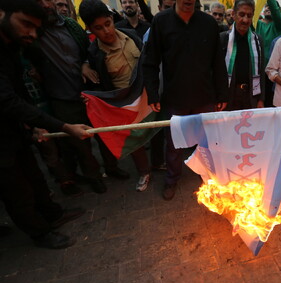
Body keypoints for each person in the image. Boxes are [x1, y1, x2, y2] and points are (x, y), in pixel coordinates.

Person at [0, 0, 93, 249]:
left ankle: (52, 213)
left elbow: (18, 92)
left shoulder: (11, 47)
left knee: (34, 176)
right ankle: (40, 232)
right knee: (16, 189)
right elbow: (6, 100)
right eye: (26, 24)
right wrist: (64, 126)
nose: (31, 34)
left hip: (14, 129)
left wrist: (31, 125)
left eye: (35, 28)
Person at [36, 0, 129, 194]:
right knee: (81, 143)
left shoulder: (70, 26)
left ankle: (111, 167)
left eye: (48, 0)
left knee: (104, 133)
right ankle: (93, 176)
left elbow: (89, 51)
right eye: (39, 1)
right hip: (63, 98)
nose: (45, 5)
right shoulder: (34, 33)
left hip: (90, 93)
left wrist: (85, 64)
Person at [143, 0, 228, 200]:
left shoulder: (208, 23)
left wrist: (222, 93)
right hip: (174, 98)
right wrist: (153, 93)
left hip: (205, 97)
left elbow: (217, 62)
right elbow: (150, 61)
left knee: (208, 143)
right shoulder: (161, 21)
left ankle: (211, 179)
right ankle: (172, 179)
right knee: (173, 145)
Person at [79, 0, 152, 192]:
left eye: (108, 24)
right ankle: (144, 172)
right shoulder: (95, 55)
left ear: (112, 19)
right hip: (125, 103)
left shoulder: (131, 35)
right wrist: (92, 100)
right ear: (89, 29)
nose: (106, 31)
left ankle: (160, 162)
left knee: (157, 126)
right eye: (98, 28)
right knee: (134, 138)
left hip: (146, 94)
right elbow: (101, 89)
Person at [220, 0, 265, 111]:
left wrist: (261, 99)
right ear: (233, 15)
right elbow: (216, 72)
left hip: (251, 96)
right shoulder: (222, 39)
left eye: (249, 16)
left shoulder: (258, 40)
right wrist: (219, 97)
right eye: (241, 15)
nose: (245, 20)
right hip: (228, 96)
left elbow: (262, 72)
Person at [256, 0, 281, 107]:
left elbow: (276, 11)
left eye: (271, 7)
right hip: (257, 72)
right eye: (266, 6)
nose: (268, 8)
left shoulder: (278, 25)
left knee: (270, 103)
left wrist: (271, 3)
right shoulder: (257, 24)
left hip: (274, 73)